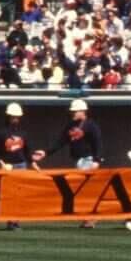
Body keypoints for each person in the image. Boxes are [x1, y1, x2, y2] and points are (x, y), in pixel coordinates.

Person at [52, 97, 106, 230]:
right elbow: (61, 142)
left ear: (83, 111)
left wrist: (97, 160)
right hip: (78, 160)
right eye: (72, 111)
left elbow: (98, 143)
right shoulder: (70, 126)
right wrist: (46, 153)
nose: (73, 113)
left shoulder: (91, 125)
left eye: (75, 111)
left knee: (85, 190)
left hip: (88, 159)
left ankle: (91, 218)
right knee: (81, 190)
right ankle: (88, 217)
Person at [0, 102, 36, 232]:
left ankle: (16, 221)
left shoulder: (23, 133)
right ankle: (10, 221)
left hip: (21, 165)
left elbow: (27, 151)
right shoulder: (1, 133)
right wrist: (1, 163)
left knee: (20, 195)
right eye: (13, 117)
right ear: (8, 116)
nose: (15, 119)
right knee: (9, 195)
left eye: (17, 117)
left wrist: (33, 163)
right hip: (8, 167)